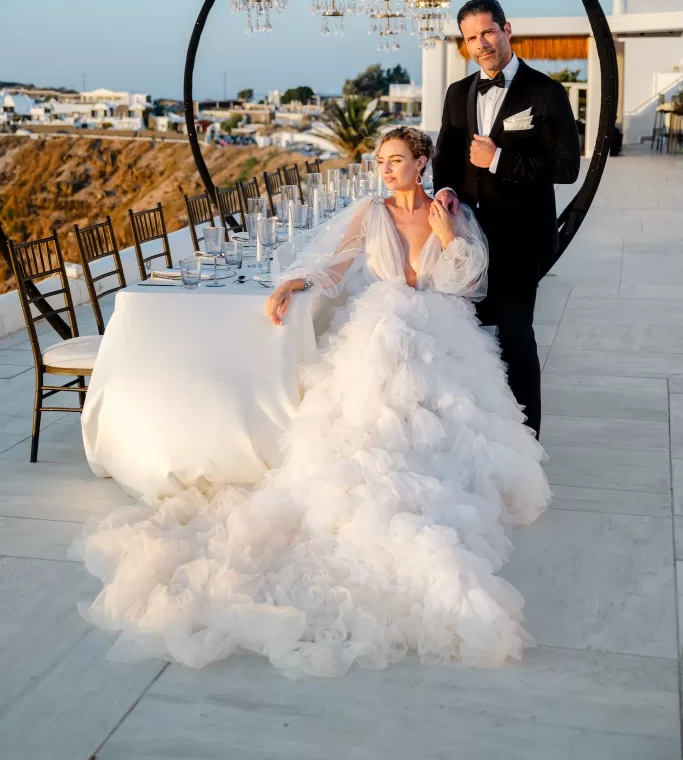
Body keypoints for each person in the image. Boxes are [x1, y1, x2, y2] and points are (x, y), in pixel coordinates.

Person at [76, 128, 550, 679]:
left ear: (422, 163)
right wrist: (292, 283)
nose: (387, 169)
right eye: (381, 161)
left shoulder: (450, 211)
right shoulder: (370, 213)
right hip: (380, 328)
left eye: (397, 160)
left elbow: (470, 283)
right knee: (367, 418)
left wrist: (447, 236)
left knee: (446, 426)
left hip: (441, 329)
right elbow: (336, 262)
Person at [433, 0, 581, 439]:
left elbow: (567, 168)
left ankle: (525, 441)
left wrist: (499, 159)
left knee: (516, 335)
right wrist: (445, 190)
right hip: (467, 240)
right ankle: (481, 434)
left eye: (488, 32)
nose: (481, 44)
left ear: (507, 29)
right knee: (471, 336)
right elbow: (447, 157)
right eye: (471, 38)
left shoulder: (545, 92)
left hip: (520, 238)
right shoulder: (457, 93)